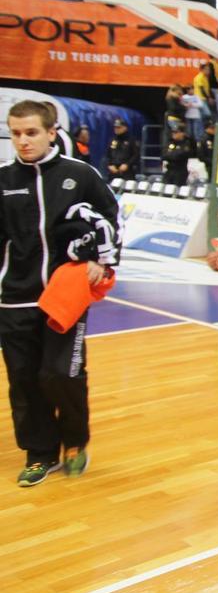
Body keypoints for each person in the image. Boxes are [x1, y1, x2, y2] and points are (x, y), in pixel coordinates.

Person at [0, 100, 120, 487]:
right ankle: (40, 453)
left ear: (51, 132)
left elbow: (111, 220)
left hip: (64, 295)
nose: (23, 141)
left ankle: (74, 440)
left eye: (31, 132)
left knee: (61, 373)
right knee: (23, 379)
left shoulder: (80, 175)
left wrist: (105, 261)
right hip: (13, 299)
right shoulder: (3, 180)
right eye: (16, 133)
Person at [162, 122, 194, 186]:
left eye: (176, 132)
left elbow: (179, 155)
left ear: (182, 133)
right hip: (169, 170)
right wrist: (172, 155)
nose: (174, 134)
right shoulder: (170, 142)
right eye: (173, 132)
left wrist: (171, 155)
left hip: (180, 171)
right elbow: (164, 155)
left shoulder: (186, 143)